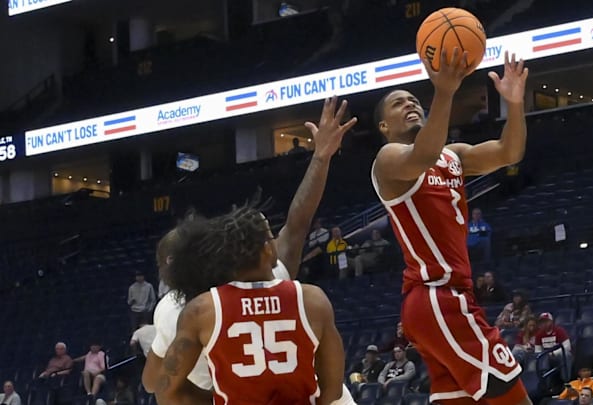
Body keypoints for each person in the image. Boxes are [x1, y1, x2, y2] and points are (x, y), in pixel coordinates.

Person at [143, 97, 357, 402]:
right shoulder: (300, 292)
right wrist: (321, 158)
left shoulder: (190, 310)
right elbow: (298, 223)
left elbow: (156, 385)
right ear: (264, 251)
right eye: (269, 236)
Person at [371, 48, 529, 404]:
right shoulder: (388, 158)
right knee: (515, 397)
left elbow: (509, 152)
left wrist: (514, 104)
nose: (410, 104)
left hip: (445, 298)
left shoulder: (452, 155)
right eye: (398, 103)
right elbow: (423, 155)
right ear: (384, 127)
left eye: (413, 99)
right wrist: (444, 92)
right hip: (436, 294)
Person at [153, 206, 347, 405]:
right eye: (271, 238)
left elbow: (165, 390)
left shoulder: (202, 310)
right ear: (267, 248)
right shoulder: (312, 300)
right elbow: (333, 390)